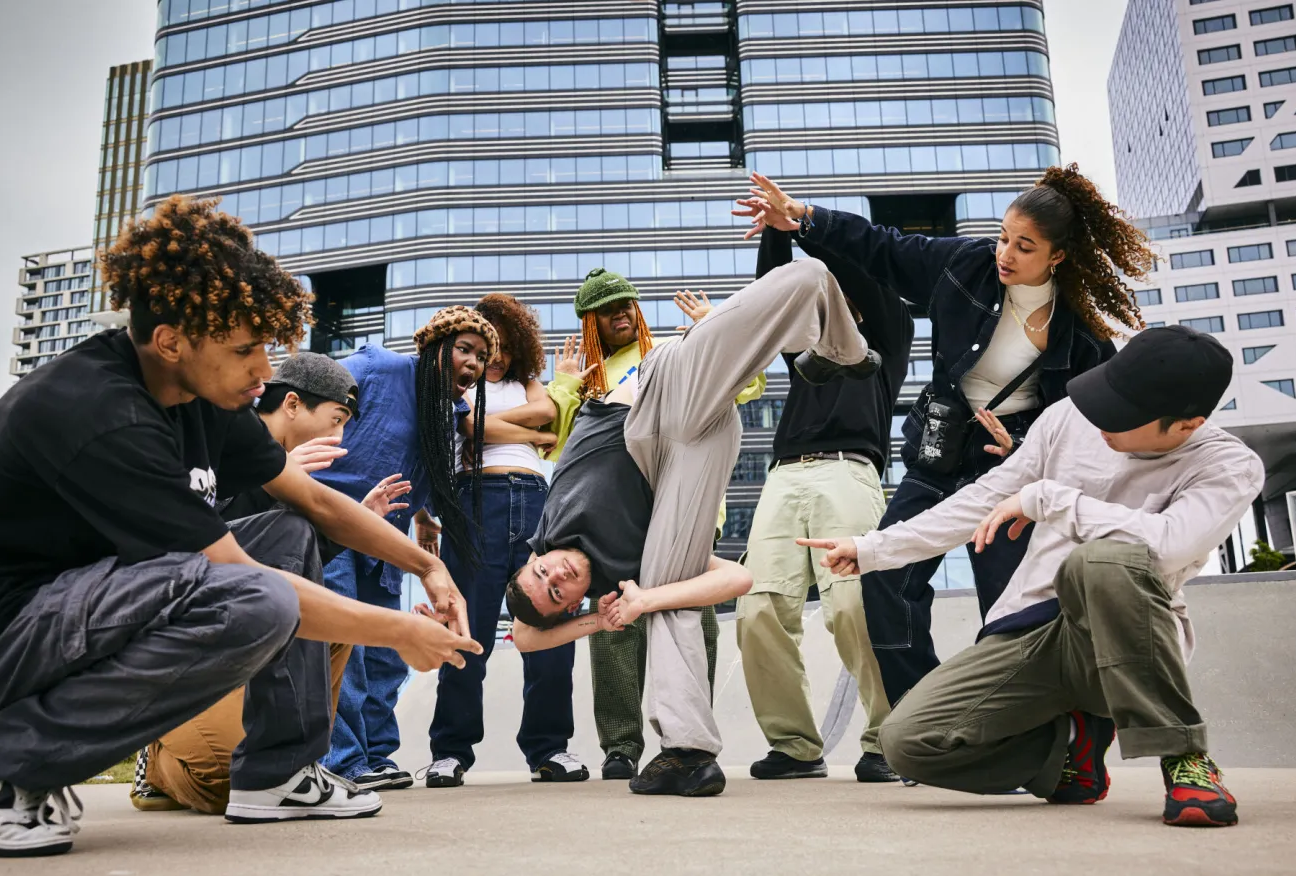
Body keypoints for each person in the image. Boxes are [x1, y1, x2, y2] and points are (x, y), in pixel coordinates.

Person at [0, 196, 479, 857]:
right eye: (245, 351)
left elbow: (321, 504)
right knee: (257, 597)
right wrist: (397, 631)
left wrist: (428, 567)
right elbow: (238, 580)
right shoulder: (100, 412)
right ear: (171, 341)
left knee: (290, 532)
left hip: (80, 609)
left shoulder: (197, 397)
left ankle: (278, 772)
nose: (265, 373)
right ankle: (3, 759)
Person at [801, 325, 1262, 827]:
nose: (1099, 420)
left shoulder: (1227, 465)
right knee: (907, 743)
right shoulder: (1069, 419)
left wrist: (1049, 498)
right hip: (1031, 627)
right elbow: (982, 498)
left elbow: (1169, 545)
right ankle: (1067, 749)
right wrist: (871, 548)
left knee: (1103, 559)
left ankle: (1184, 757)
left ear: (1185, 425)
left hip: (1120, 642)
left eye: (1119, 415)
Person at [737, 164, 1151, 712]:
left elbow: (1097, 421)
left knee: (1010, 601)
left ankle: (1011, 720)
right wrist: (804, 218)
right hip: (937, 458)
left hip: (1008, 472)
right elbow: (885, 247)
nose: (1005, 254)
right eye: (1005, 238)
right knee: (885, 577)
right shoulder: (967, 267)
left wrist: (1030, 452)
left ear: (1057, 257)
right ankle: (928, 715)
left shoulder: (1081, 333)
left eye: (1024, 247)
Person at [489, 256, 881, 798]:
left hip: (653, 396)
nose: (555, 572)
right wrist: (613, 616)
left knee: (807, 275)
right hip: (680, 462)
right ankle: (688, 752)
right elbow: (737, 582)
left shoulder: (545, 533)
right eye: (558, 591)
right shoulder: (620, 578)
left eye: (540, 572)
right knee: (662, 597)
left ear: (532, 558)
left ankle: (846, 350)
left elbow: (526, 633)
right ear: (574, 600)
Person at [130, 353, 413, 814]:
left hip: (242, 640)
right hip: (182, 642)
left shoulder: (290, 476)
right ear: (294, 404)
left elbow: (282, 562)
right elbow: (202, 546)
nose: (340, 438)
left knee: (331, 619)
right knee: (217, 782)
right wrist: (272, 473)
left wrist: (356, 520)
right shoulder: (217, 431)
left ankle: (296, 758)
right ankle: (158, 761)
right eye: (336, 419)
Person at [543, 268, 765, 781]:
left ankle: (686, 742)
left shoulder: (671, 349)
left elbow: (747, 384)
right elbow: (559, 447)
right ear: (590, 321)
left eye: (627, 303)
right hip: (617, 518)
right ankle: (621, 746)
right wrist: (564, 385)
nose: (622, 312)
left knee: (690, 617)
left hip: (685, 510)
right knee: (614, 627)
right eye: (608, 308)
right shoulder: (591, 377)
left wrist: (713, 325)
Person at [735, 227, 912, 783]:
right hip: (783, 478)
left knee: (852, 606)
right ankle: (794, 746)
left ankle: (888, 740)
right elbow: (775, 287)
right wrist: (773, 231)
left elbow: (862, 280)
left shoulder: (887, 337)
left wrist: (803, 224)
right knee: (757, 608)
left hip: (849, 471)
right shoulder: (806, 354)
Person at [318, 305, 499, 791]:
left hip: (387, 539)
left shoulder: (451, 413)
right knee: (346, 648)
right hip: (332, 522)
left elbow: (415, 464)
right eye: (465, 349)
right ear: (436, 346)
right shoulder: (379, 368)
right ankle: (343, 761)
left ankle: (375, 755)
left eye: (482, 357)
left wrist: (421, 518)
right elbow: (310, 395)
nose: (474, 364)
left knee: (385, 654)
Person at [422, 294, 586, 787]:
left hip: (536, 501)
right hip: (477, 501)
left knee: (552, 627)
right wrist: (532, 433)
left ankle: (549, 749)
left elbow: (546, 414)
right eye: (487, 345)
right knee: (467, 627)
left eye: (505, 345)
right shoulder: (456, 386)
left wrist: (507, 430)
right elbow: (468, 424)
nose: (495, 355)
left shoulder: (524, 383)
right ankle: (449, 752)